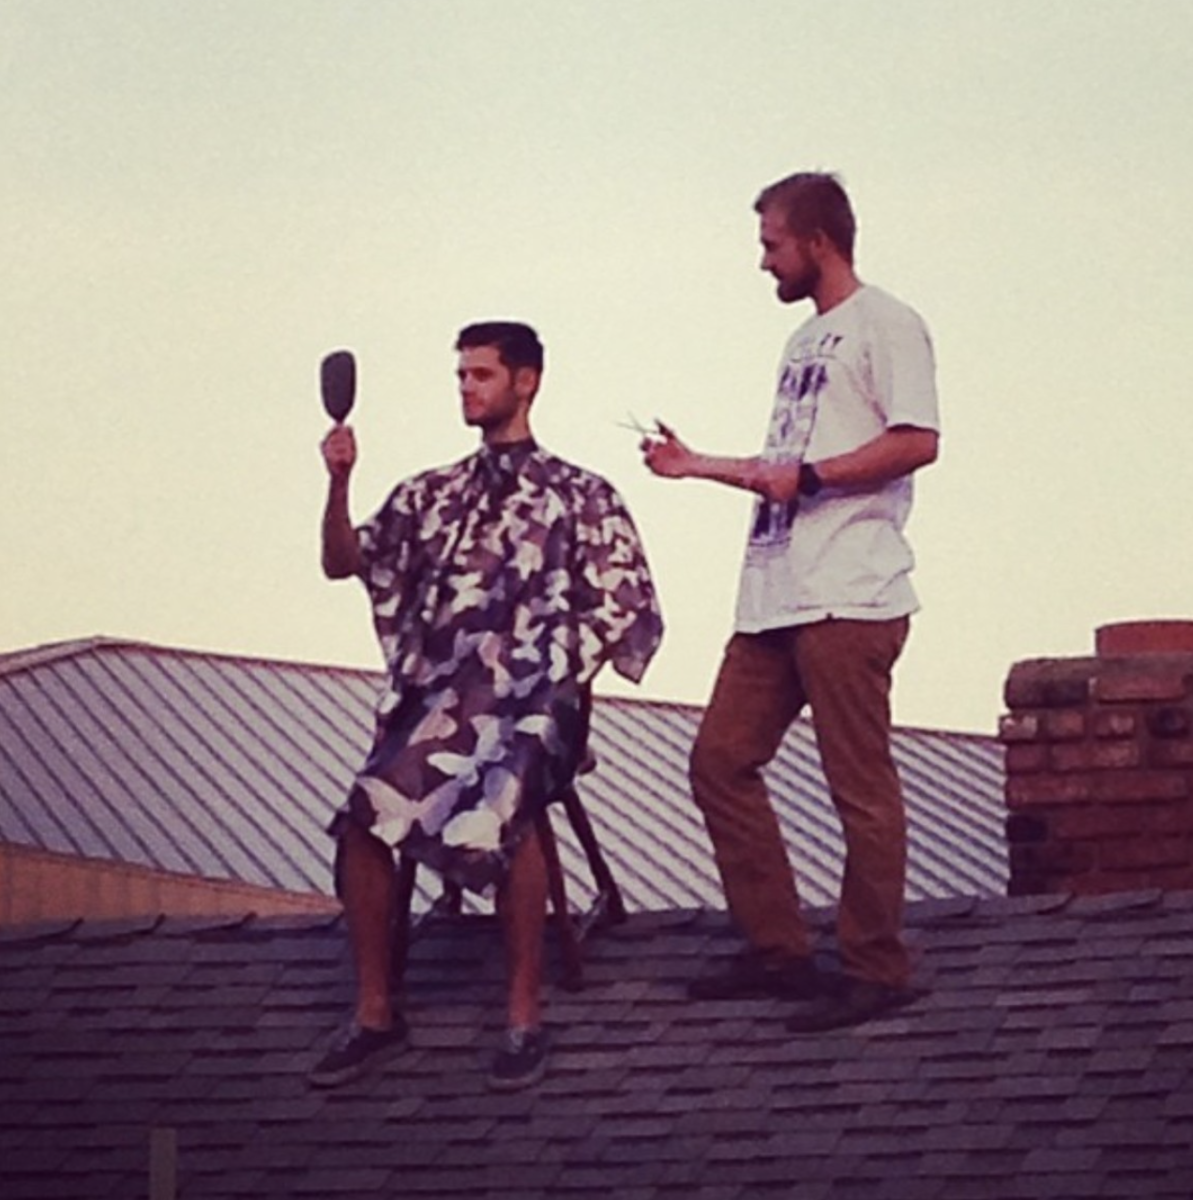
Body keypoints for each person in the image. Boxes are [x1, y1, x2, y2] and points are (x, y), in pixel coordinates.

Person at [312, 320, 662, 1089]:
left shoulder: (581, 496)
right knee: (367, 809)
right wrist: (339, 481)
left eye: (481, 375)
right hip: (440, 708)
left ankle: (521, 1017)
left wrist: (544, 672)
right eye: (461, 376)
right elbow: (344, 561)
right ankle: (374, 1013)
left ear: (525, 381)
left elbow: (626, 610)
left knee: (508, 791)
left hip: (536, 709)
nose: (467, 388)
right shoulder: (430, 495)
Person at [641, 172, 940, 1032]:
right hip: (773, 597)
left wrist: (811, 477)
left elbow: (917, 440)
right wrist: (696, 465)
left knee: (860, 787)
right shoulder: (802, 344)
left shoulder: (886, 322)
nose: (763, 259)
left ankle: (876, 969)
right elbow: (784, 467)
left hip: (850, 595)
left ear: (816, 240)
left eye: (771, 243)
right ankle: (778, 951)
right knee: (719, 759)